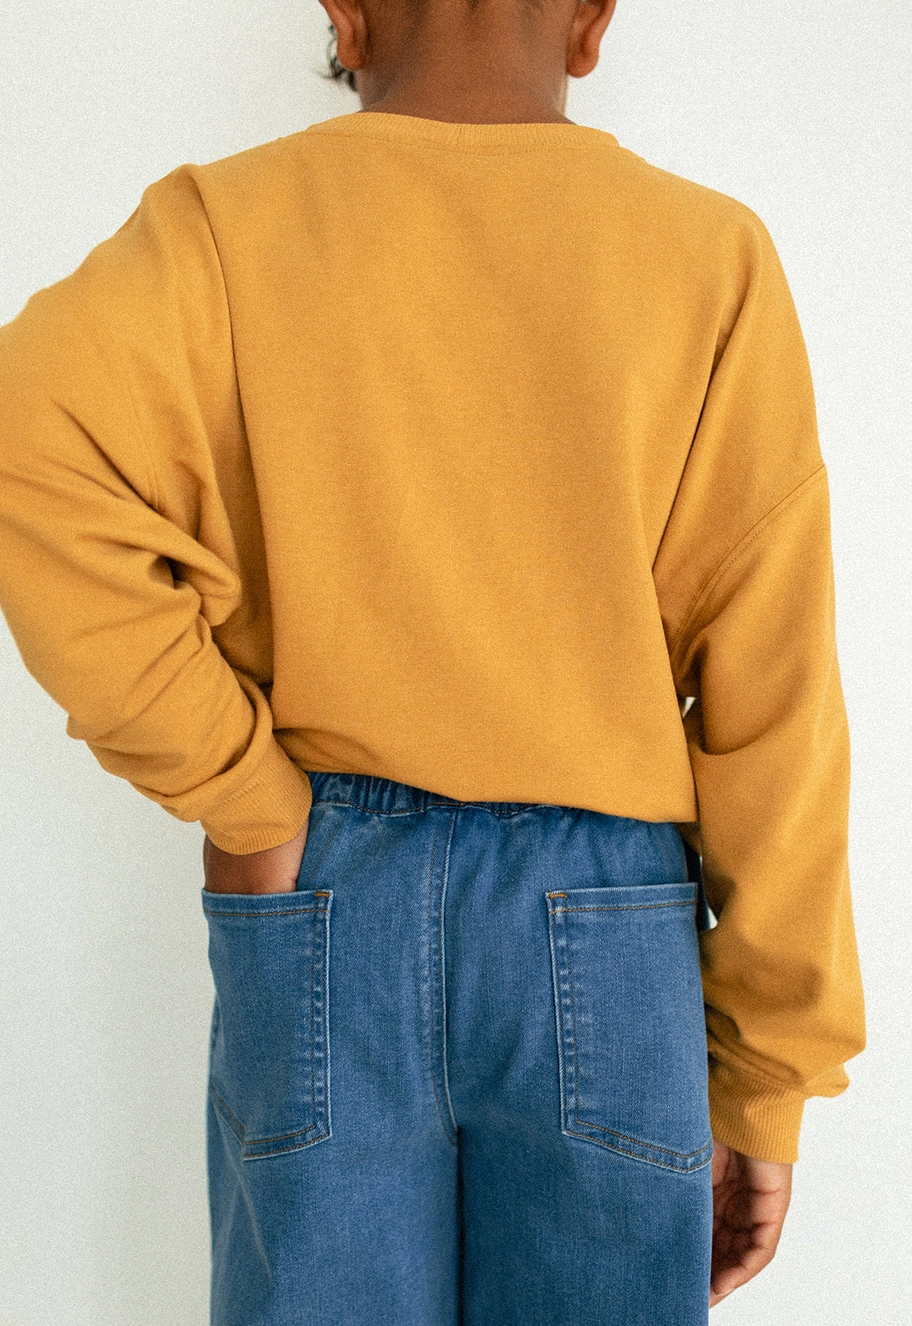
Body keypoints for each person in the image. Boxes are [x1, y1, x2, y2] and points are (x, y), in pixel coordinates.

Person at [0, 0, 865, 1321]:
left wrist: (243, 793)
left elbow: (27, 445)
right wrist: (769, 1075)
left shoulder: (224, 231)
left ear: (344, 15)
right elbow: (775, 703)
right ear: (591, 22)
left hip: (321, 894)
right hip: (608, 923)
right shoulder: (709, 259)